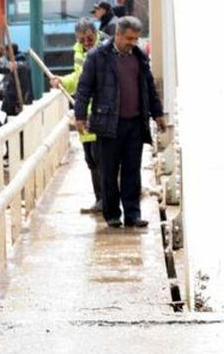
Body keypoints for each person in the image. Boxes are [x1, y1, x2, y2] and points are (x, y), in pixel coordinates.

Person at [73, 16, 167, 228]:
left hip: (134, 123)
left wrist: (157, 113)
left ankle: (133, 214)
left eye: (136, 39)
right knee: (108, 171)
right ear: (117, 34)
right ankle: (113, 215)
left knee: (132, 170)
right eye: (129, 38)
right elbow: (84, 88)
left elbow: (149, 87)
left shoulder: (140, 57)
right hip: (108, 124)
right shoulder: (98, 57)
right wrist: (79, 116)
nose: (133, 43)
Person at [52, 19, 102, 213]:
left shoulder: (103, 51)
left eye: (89, 38)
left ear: (94, 34)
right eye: (81, 39)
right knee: (91, 159)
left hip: (98, 114)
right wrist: (62, 81)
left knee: (102, 159)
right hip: (83, 114)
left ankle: (107, 200)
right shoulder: (79, 51)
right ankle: (100, 200)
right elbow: (79, 78)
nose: (85, 42)